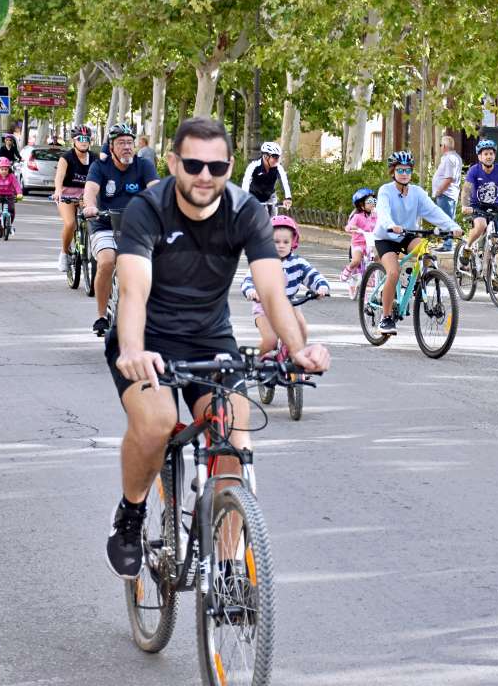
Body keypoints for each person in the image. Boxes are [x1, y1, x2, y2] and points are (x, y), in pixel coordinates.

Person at [104, 117, 330, 579]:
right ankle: (130, 516)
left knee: (232, 431)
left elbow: (271, 291)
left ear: (229, 168)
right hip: (146, 336)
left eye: (217, 166)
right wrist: (131, 348)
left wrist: (298, 349)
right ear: (173, 164)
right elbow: (132, 292)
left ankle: (226, 567)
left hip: (210, 337)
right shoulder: (148, 209)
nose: (205, 175)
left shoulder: (246, 211)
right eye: (193, 164)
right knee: (158, 422)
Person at [371, 150, 463, 335]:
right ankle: (386, 318)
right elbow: (383, 211)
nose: (404, 174)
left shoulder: (417, 192)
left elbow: (433, 211)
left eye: (407, 170)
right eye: (400, 170)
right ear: (393, 172)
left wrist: (453, 226)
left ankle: (421, 281)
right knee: (393, 272)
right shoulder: (386, 191)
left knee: (427, 251)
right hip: (386, 237)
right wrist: (391, 225)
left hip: (407, 234)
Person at [83, 123, 160, 336]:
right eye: (121, 143)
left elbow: (155, 188)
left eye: (129, 142)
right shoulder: (100, 167)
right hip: (104, 222)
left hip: (136, 225)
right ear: (112, 147)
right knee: (107, 261)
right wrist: (90, 206)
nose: (127, 147)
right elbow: (90, 189)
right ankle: (101, 316)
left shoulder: (143, 165)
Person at [241, 215, 329, 355]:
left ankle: (298, 358)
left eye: (285, 242)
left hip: (289, 305)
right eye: (276, 241)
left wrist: (321, 287)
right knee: (270, 341)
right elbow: (248, 280)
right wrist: (251, 291)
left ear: (293, 242)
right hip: (264, 306)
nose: (281, 245)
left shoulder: (298, 263)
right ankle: (253, 362)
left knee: (301, 328)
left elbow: (313, 276)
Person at [460, 138, 498, 255]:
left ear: (494, 155)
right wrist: (464, 205)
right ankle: (467, 247)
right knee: (481, 226)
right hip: (478, 206)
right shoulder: (474, 170)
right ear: (480, 157)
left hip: (496, 207)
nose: (489, 156)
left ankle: (488, 267)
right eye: (485, 154)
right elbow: (466, 189)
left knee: (496, 240)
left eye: (491, 154)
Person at [52, 125, 94, 272]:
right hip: (67, 193)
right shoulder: (66, 158)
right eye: (80, 139)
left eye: (86, 139)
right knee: (70, 223)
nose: (84, 142)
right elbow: (59, 177)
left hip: (85, 193)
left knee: (93, 219)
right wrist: (58, 191)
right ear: (73, 141)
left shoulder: (94, 158)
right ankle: (64, 253)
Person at [340, 187, 378, 295]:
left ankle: (374, 275)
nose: (373, 204)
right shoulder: (357, 216)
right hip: (358, 244)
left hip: (370, 243)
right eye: (369, 202)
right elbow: (348, 226)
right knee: (356, 260)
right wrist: (351, 228)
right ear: (361, 205)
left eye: (374, 201)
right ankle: (347, 270)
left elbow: (381, 225)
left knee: (378, 259)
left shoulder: (375, 216)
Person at [431, 135, 464, 251]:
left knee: (446, 219)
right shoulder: (454, 157)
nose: (440, 147)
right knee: (447, 219)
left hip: (446, 194)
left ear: (444, 146)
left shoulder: (449, 158)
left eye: (440, 145)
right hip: (448, 194)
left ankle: (447, 245)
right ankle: (446, 243)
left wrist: (439, 191)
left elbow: (449, 178)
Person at [240, 141, 292, 214]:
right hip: (254, 196)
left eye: (278, 157)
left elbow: (284, 182)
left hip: (270, 196)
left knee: (273, 220)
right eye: (275, 157)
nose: (277, 160)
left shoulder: (278, 167)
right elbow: (246, 182)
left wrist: (288, 198)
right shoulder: (254, 166)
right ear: (265, 156)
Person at [0, 157, 22, 225]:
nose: (4, 171)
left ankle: (9, 224)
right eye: (2, 169)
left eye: (6, 169)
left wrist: (19, 193)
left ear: (9, 169)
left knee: (11, 210)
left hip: (9, 194)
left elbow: (16, 185)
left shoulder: (11, 176)